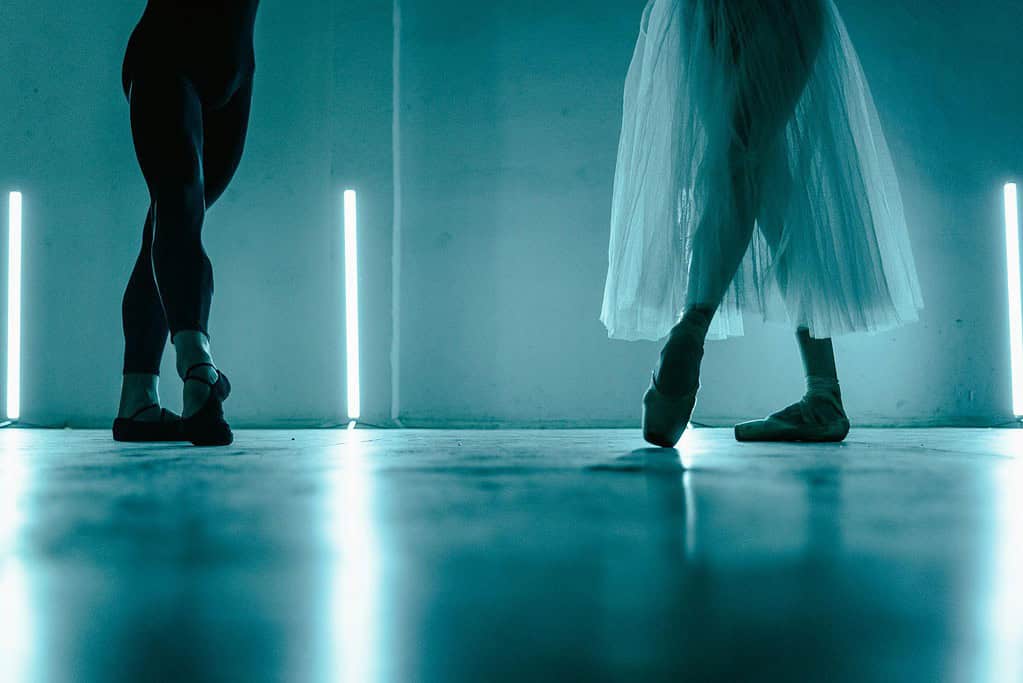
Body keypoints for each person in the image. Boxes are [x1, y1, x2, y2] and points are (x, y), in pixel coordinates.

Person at [601, 0, 923, 447]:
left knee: (744, 157)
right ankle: (820, 392)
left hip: (707, 11)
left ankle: (693, 334)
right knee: (755, 162)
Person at [113, 0, 261, 446]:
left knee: (174, 218)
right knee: (177, 204)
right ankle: (197, 367)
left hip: (235, 64)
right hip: (167, 51)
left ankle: (137, 402)